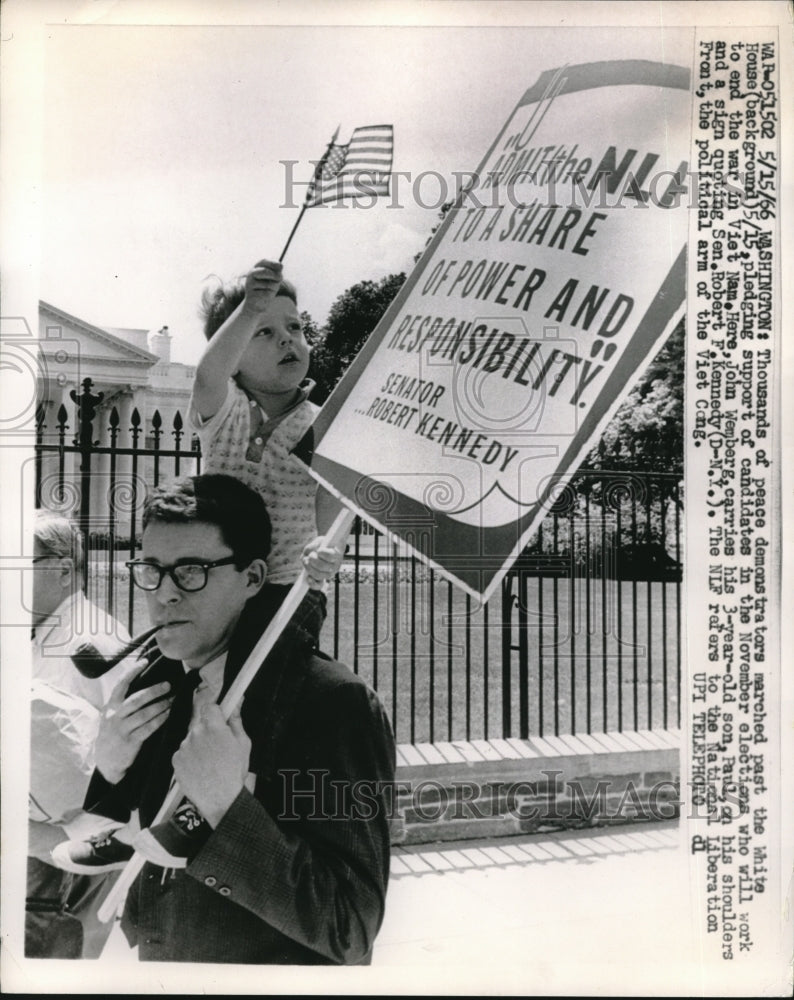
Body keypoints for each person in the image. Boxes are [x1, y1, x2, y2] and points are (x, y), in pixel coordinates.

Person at [58, 475, 395, 965]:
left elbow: (350, 926)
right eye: (151, 569)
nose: (164, 594)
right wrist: (109, 767)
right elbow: (124, 836)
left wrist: (228, 809)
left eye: (191, 571)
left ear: (253, 578)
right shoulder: (161, 685)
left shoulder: (334, 704)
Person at [191, 259, 344, 641]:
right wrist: (247, 311)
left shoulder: (323, 424)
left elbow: (334, 508)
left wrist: (328, 551)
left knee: (265, 687)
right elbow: (208, 375)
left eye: (295, 327)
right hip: (215, 582)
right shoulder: (224, 410)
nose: (286, 339)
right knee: (193, 675)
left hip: (289, 591)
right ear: (233, 355)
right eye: (263, 331)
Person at [26, 511, 129, 958]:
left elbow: (134, 766)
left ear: (63, 570)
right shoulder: (38, 632)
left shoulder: (96, 642)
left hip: (62, 872)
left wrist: (63, 844)